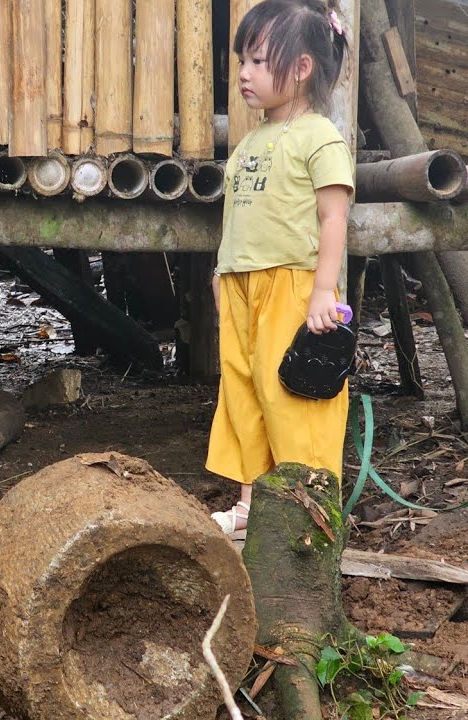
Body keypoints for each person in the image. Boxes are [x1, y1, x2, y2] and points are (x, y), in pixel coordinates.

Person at [207, 0, 353, 539]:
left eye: (260, 62)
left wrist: (322, 293)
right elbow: (239, 218)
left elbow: (334, 217)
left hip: (293, 286)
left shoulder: (320, 137)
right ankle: (252, 504)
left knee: (292, 397)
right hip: (244, 286)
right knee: (244, 394)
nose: (244, 73)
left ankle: (305, 514)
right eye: (242, 60)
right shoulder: (250, 142)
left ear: (301, 69)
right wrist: (224, 275)